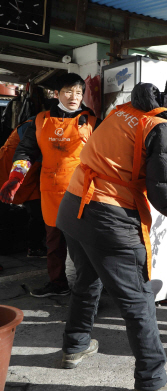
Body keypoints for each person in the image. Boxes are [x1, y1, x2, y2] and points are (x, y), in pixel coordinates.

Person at [57, 71, 167, 391]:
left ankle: (75, 346)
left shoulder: (128, 109)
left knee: (87, 281)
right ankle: (152, 382)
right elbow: (163, 195)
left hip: (75, 206)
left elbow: (133, 164)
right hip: (108, 218)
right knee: (138, 300)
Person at [0, 74, 98, 297]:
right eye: (68, 92)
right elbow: (25, 151)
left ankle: (88, 294)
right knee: (53, 242)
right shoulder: (40, 121)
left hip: (82, 192)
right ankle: (58, 283)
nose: (74, 97)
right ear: (57, 94)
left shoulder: (93, 122)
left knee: (83, 246)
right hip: (50, 191)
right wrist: (16, 177)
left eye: (79, 93)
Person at [0, 118, 45, 257]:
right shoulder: (35, 125)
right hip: (10, 169)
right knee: (3, 209)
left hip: (31, 174)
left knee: (37, 210)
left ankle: (34, 247)